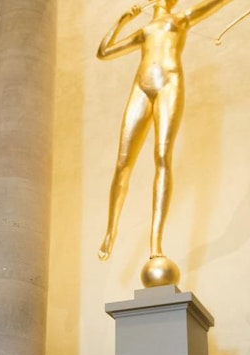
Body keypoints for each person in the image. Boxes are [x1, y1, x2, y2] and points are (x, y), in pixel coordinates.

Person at [96, 0, 234, 262]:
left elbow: (215, 3)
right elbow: (103, 52)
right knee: (123, 163)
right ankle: (110, 231)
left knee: (161, 157)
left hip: (168, 84)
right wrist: (122, 20)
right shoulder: (144, 31)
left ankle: (155, 244)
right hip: (141, 87)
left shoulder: (179, 19)